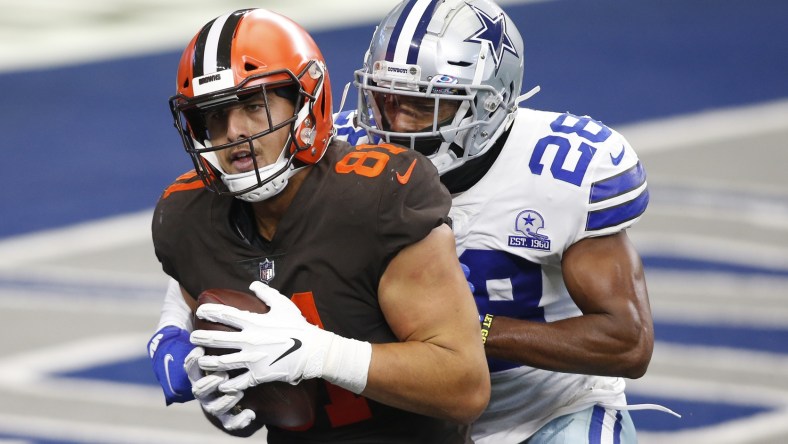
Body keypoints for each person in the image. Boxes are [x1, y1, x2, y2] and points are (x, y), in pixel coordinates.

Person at [335, 0, 677, 442]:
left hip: (547, 412)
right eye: (386, 100)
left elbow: (627, 341)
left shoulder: (561, 170)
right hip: (406, 410)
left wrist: (468, 330)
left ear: (489, 105)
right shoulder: (339, 158)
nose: (396, 126)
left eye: (423, 106)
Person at [146, 8, 489, 443]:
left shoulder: (381, 197)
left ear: (308, 103)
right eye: (214, 116)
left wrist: (323, 354)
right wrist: (218, 390)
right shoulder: (185, 217)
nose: (233, 132)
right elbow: (258, 407)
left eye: (253, 106)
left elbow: (465, 387)